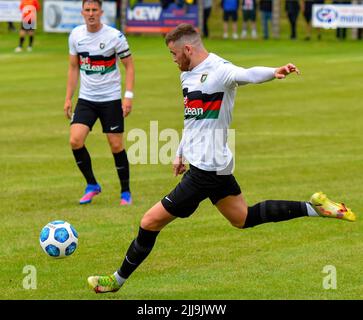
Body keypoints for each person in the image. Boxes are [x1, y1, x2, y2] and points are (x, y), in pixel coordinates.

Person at [87, 23, 356, 293]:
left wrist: (275, 72)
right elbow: (192, 119)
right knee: (243, 218)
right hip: (214, 167)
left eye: (173, 54)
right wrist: (181, 151)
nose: (173, 59)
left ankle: (116, 281)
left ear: (188, 49)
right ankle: (317, 208)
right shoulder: (187, 76)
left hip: (205, 171)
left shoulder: (219, 70)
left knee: (149, 222)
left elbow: (247, 74)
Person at [64, 0, 135, 205]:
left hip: (111, 98)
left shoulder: (115, 37)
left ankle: (125, 192)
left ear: (101, 12)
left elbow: (129, 66)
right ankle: (92, 184)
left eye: (95, 10)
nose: (91, 13)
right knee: (75, 140)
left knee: (115, 145)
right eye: (87, 10)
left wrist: (128, 96)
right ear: (82, 12)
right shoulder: (76, 35)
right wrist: (68, 97)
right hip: (86, 99)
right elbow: (73, 68)